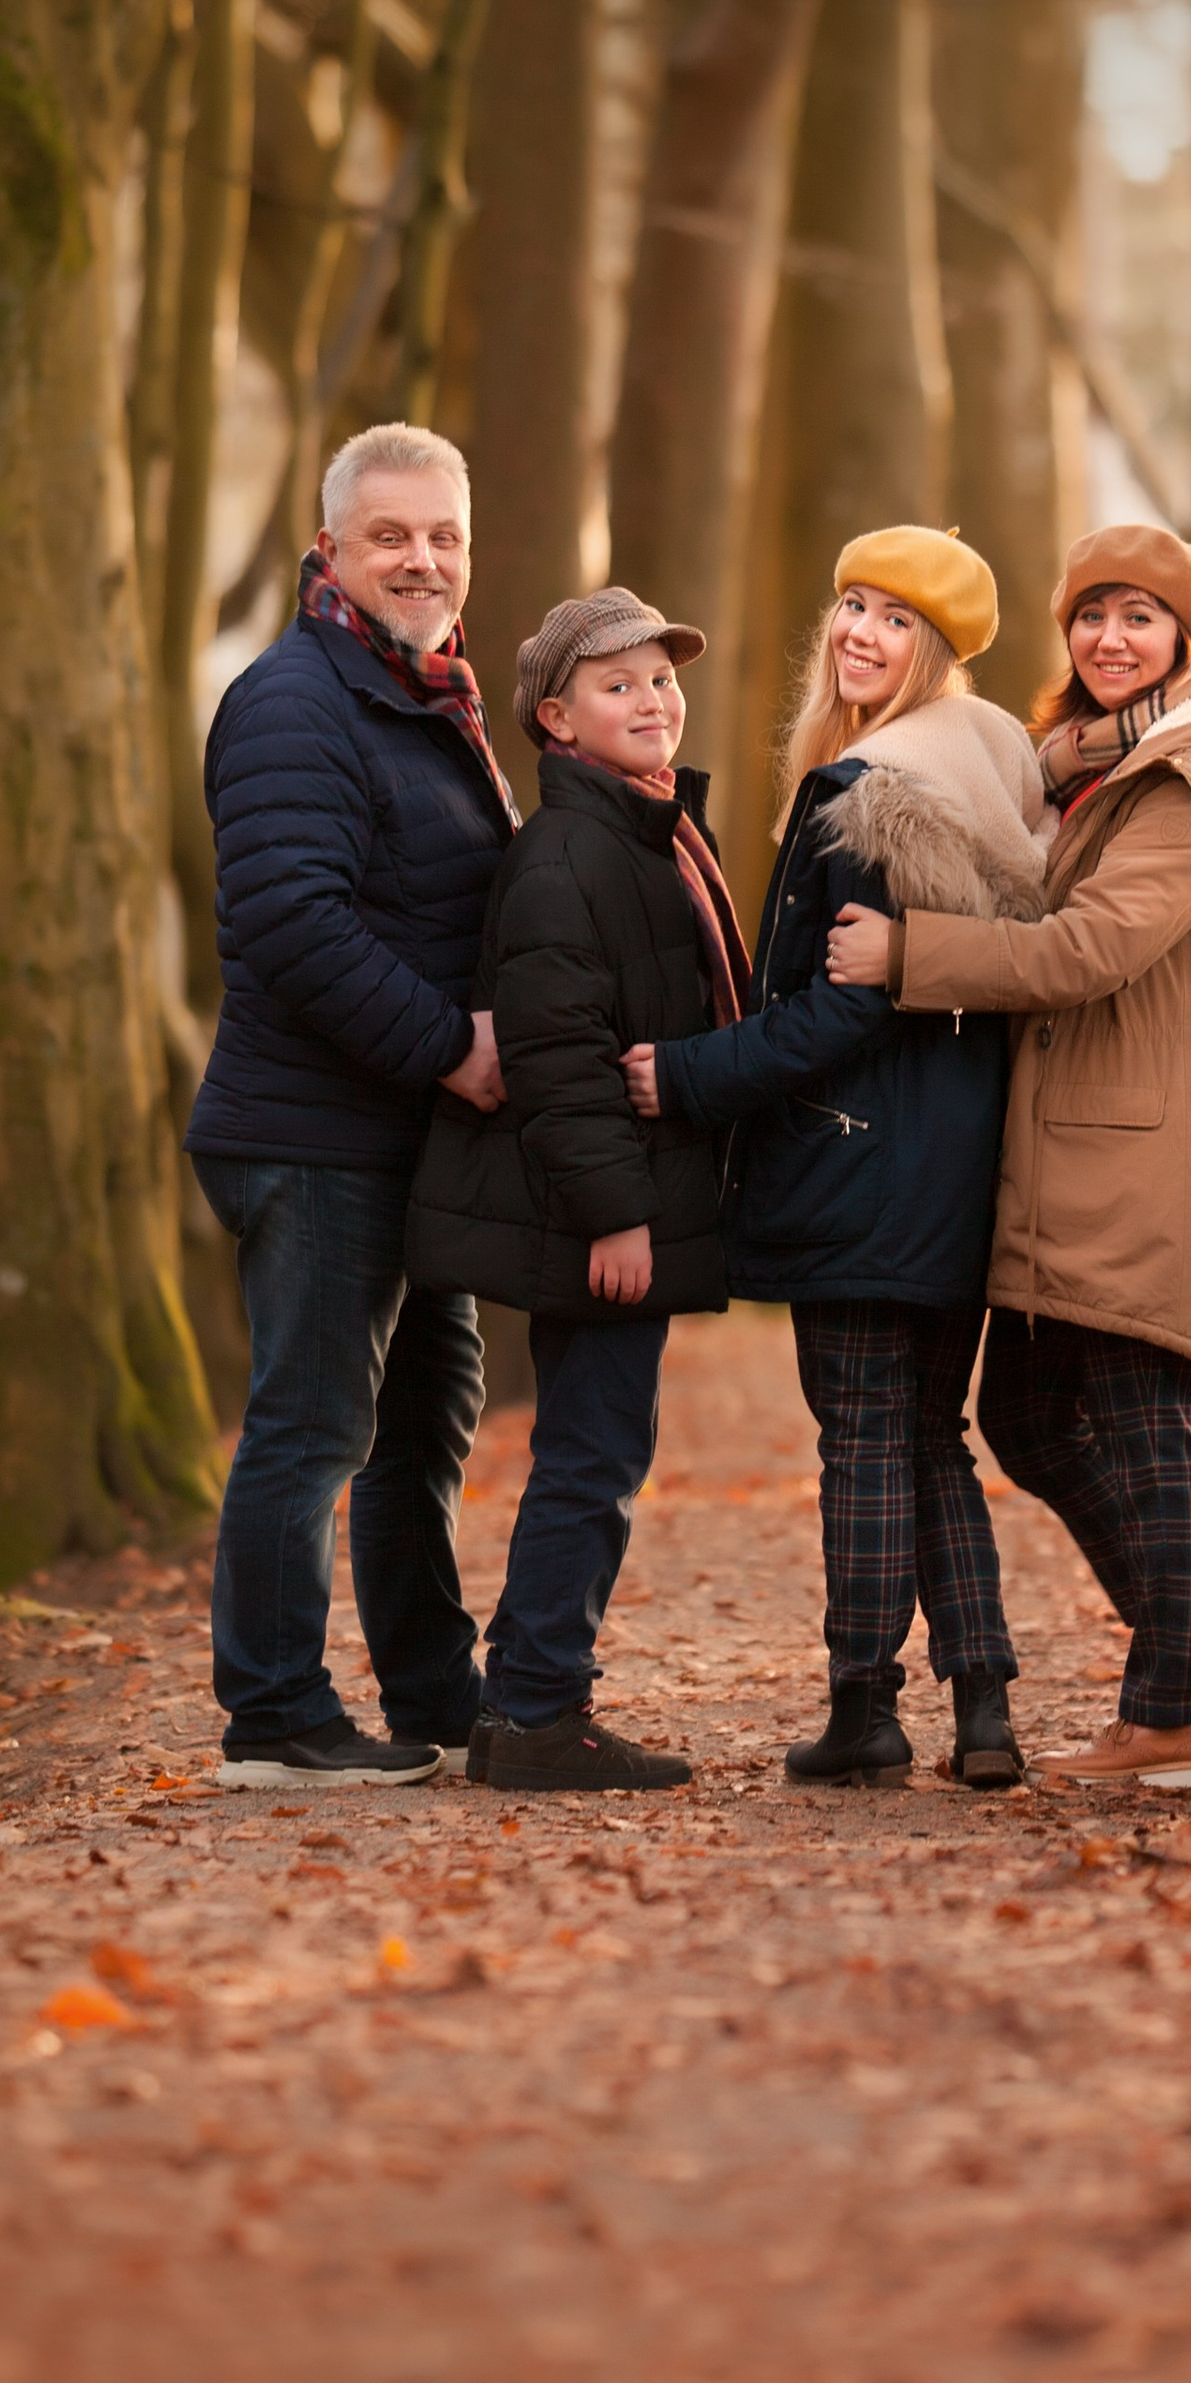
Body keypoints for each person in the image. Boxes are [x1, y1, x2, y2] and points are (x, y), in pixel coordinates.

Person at [825, 524, 1191, 1789]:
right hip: (1077, 1142)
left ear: (1189, 643)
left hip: (1144, 1144)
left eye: (1140, 618)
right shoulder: (1091, 765)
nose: (1108, 639)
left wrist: (910, 955)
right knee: (1032, 1419)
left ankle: (1168, 1718)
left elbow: (1088, 948)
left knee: (1144, 1416)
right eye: (1091, 616)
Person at [626, 528, 1050, 1793]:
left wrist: (688, 1075)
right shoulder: (994, 777)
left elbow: (837, 1008)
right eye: (852, 606)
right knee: (927, 1436)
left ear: (936, 651)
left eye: (896, 620)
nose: (861, 633)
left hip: (858, 1159)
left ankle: (863, 1704)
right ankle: (984, 1709)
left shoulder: (870, 790)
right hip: (957, 1163)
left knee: (864, 1435)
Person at [185, 424, 512, 1789]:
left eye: (443, 537)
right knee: (313, 1425)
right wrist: (453, 1048)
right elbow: (295, 923)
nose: (421, 560)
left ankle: (437, 1696)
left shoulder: (421, 695)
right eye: (391, 536)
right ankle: (273, 1716)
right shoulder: (295, 700)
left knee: (427, 1423)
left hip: (405, 1138)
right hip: (313, 1136)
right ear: (332, 550)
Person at [407, 592, 749, 1793]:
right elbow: (554, 1054)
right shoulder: (567, 854)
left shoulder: (647, 831)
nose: (652, 700)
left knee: (592, 1449)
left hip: (625, 1198)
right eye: (619, 686)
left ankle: (517, 1708)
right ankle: (544, 1713)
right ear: (556, 718)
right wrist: (617, 1214)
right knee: (592, 1457)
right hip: (599, 1214)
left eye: (660, 678)